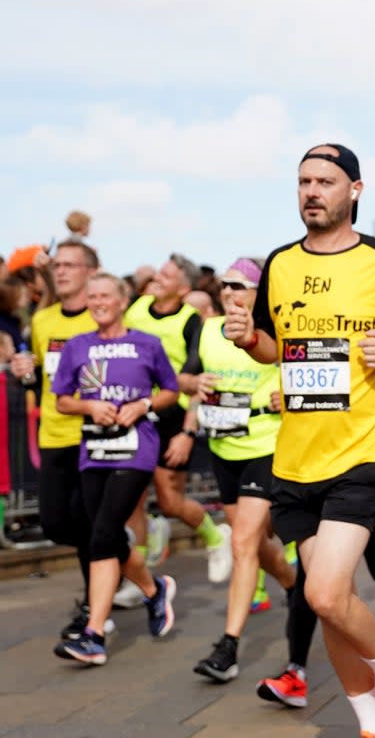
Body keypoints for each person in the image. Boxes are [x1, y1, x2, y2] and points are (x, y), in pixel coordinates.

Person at [223, 142, 375, 738]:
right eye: (303, 181)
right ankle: (371, 722)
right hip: (296, 460)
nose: (312, 192)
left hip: (364, 450)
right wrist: (249, 339)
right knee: (332, 601)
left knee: (322, 592)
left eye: (325, 181)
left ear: (355, 190)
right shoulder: (280, 263)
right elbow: (275, 348)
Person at [174, 258, 298, 683]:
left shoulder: (276, 330)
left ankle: (228, 646)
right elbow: (184, 378)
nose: (230, 292)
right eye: (226, 285)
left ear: (259, 292)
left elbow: (306, 374)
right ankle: (292, 583)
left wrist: (290, 391)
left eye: (240, 285)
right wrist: (196, 384)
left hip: (267, 443)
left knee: (243, 540)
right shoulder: (207, 328)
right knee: (254, 544)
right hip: (223, 446)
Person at [50, 273, 180, 665]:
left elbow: (171, 391)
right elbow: (61, 401)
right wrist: (90, 407)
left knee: (105, 531)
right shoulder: (77, 347)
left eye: (105, 295)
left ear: (123, 300)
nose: (97, 302)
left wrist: (143, 406)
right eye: (92, 296)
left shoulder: (147, 344)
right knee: (104, 535)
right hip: (94, 450)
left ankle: (94, 634)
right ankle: (154, 590)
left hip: (136, 450)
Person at [9, 241, 103, 640]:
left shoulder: (103, 318)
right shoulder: (43, 320)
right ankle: (116, 550)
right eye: (57, 265)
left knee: (85, 520)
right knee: (55, 522)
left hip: (93, 435)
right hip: (52, 434)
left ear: (89, 271)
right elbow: (38, 377)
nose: (60, 271)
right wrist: (23, 369)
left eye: (70, 265)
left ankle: (92, 605)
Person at [122, 253, 232, 589]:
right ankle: (137, 580)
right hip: (136, 411)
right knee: (133, 500)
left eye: (166, 276)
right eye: (158, 272)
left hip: (173, 416)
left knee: (170, 502)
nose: (157, 278)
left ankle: (216, 534)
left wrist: (187, 431)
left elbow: (196, 379)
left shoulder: (190, 322)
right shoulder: (136, 308)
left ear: (183, 288)